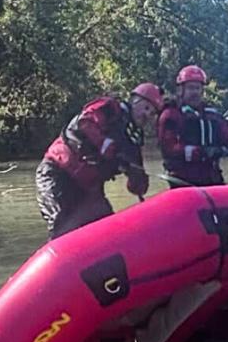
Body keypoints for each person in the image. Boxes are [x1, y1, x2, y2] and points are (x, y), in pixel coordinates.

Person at [35, 83, 163, 239]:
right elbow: (84, 123)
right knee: (62, 226)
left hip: (88, 189)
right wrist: (107, 146)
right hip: (58, 174)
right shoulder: (110, 108)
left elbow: (137, 188)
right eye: (146, 108)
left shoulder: (133, 141)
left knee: (108, 231)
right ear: (135, 100)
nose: (147, 115)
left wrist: (137, 176)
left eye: (152, 113)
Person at [157, 65, 228, 187]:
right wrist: (202, 152)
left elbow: (226, 131)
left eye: (198, 88)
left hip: (212, 177)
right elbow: (170, 149)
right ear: (180, 90)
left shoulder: (211, 114)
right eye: (190, 88)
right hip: (183, 180)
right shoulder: (171, 115)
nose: (195, 92)